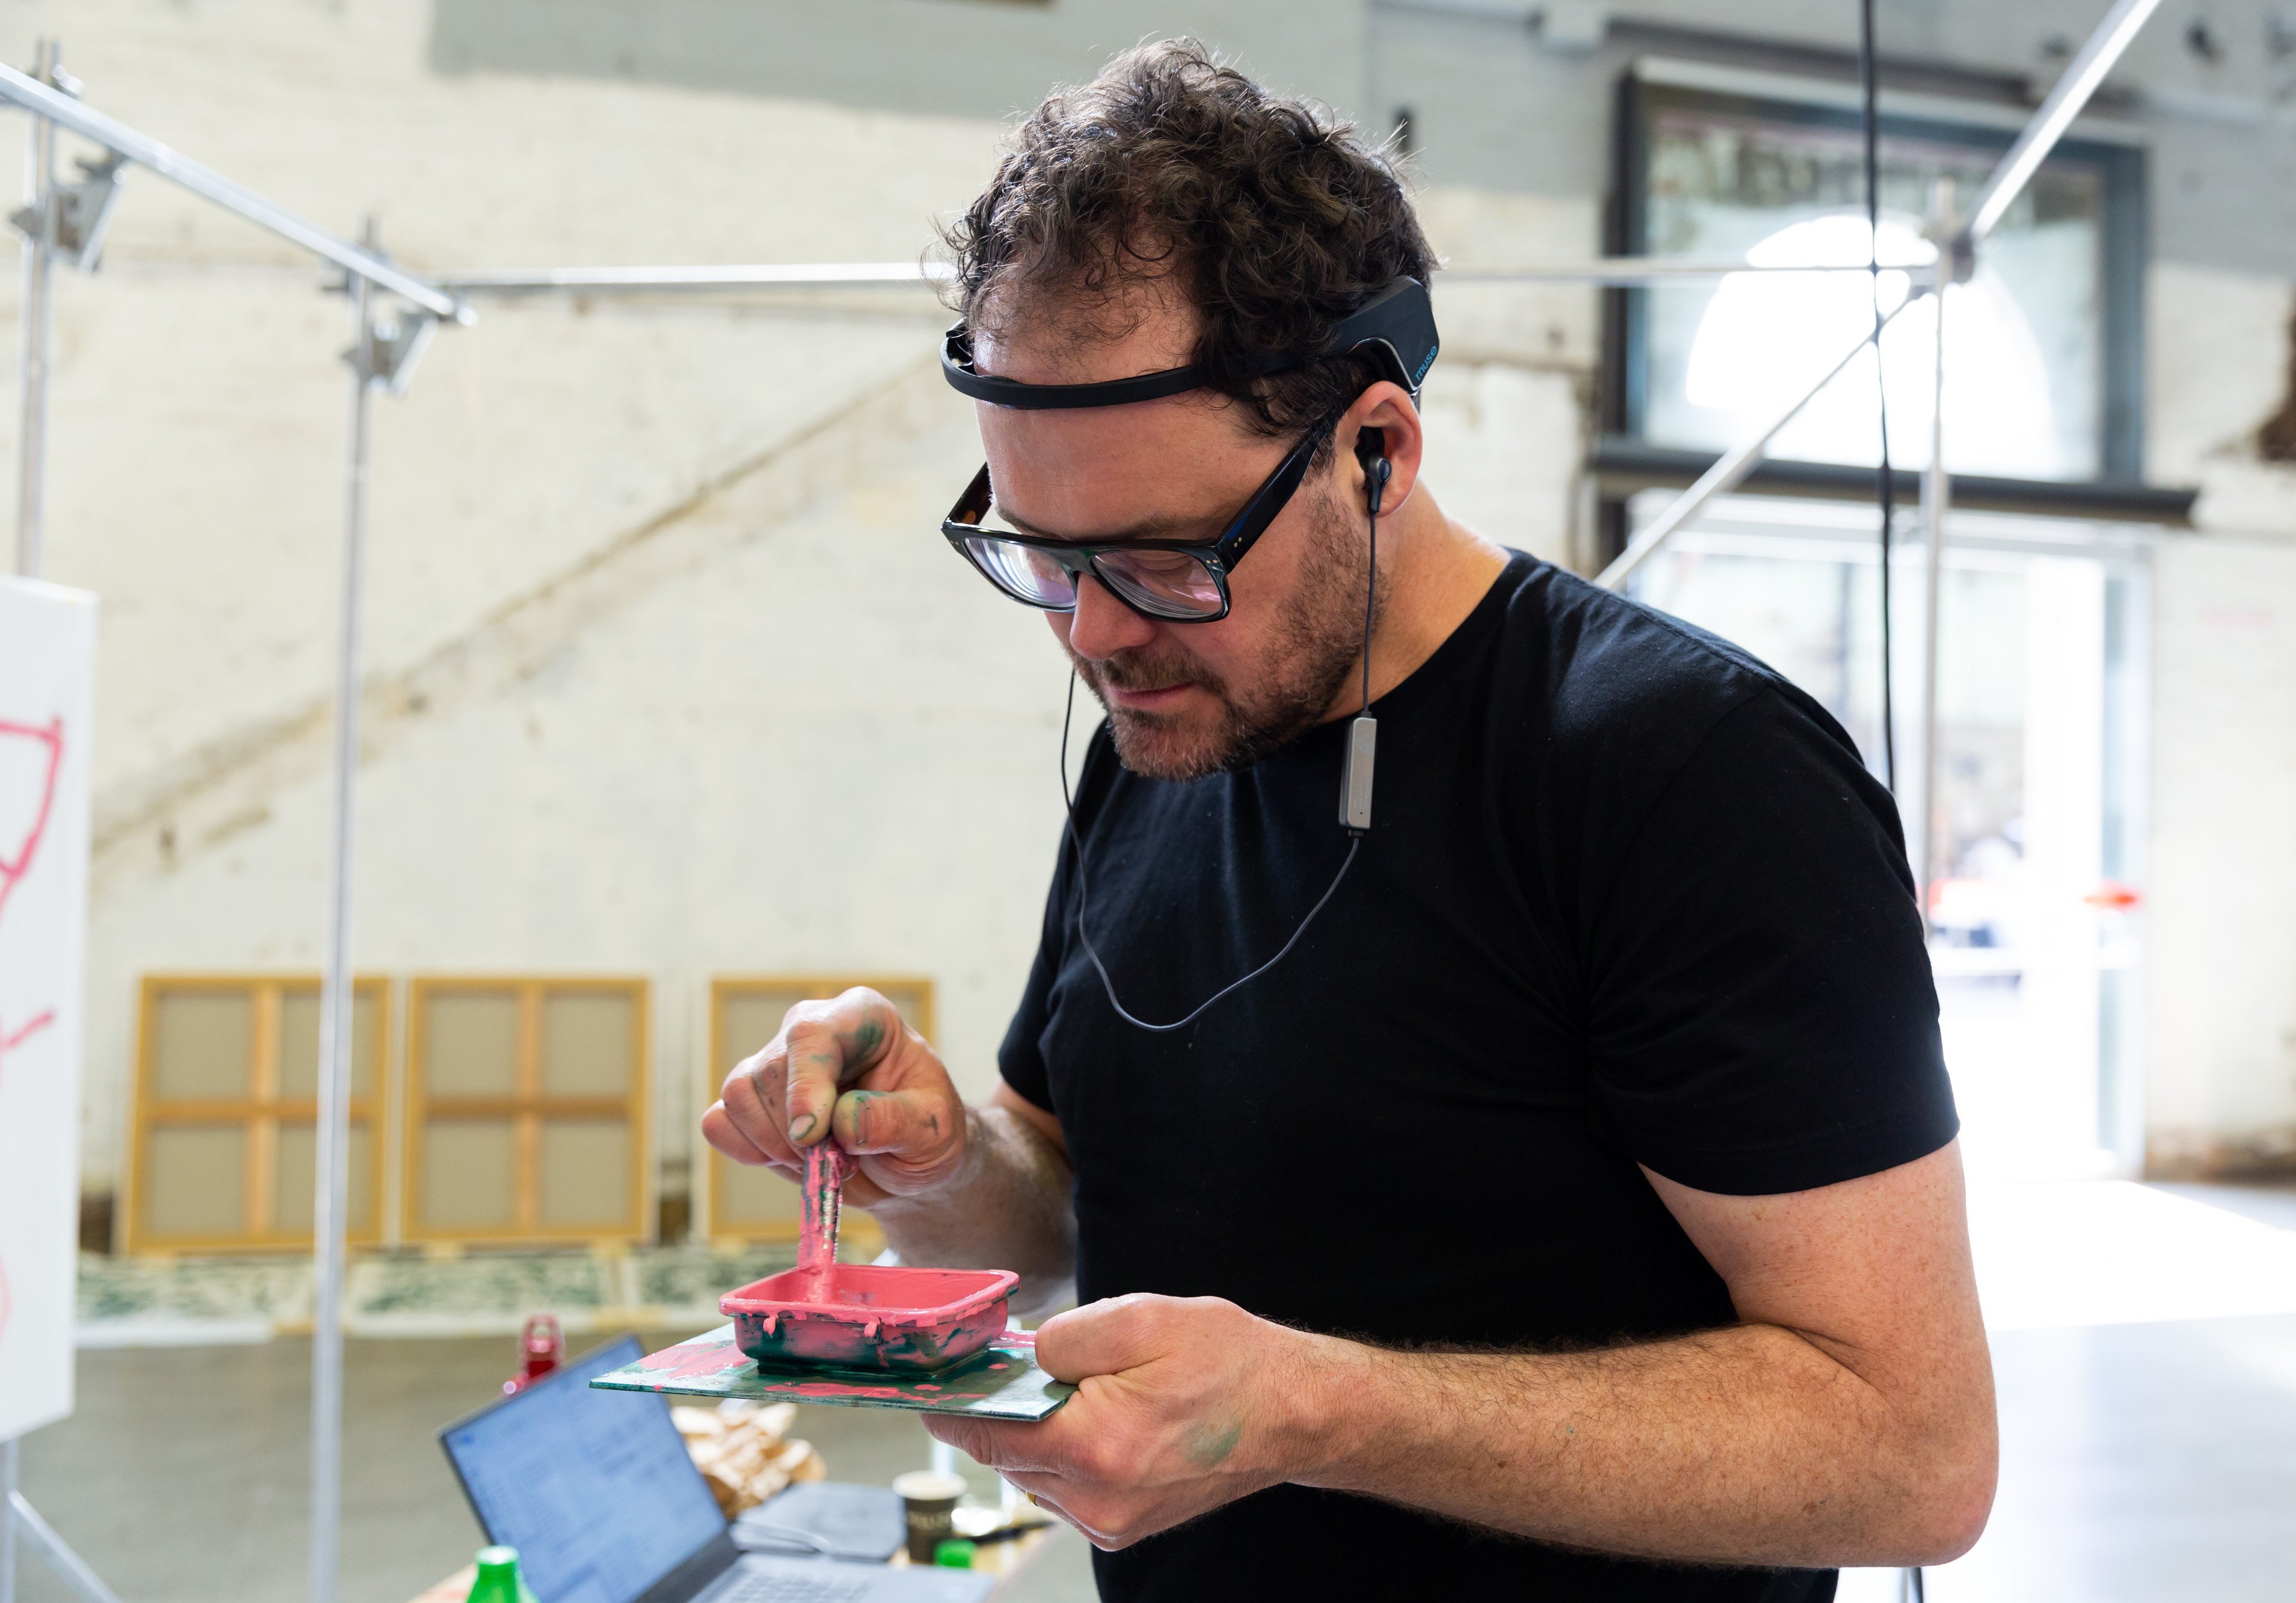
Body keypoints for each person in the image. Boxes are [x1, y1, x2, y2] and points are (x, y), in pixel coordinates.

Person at [703, 40, 1995, 1603]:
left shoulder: (1687, 778)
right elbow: (1066, 1197)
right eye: (1042, 555)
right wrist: (942, 1151)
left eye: (1164, 557)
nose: (1095, 636)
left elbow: (1913, 1448)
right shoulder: (1159, 732)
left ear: (1376, 449)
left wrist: (1322, 1409)